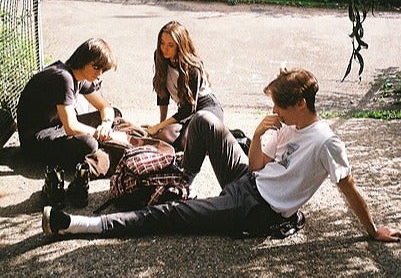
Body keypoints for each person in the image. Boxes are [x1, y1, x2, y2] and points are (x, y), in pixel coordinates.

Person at [42, 68, 401, 242]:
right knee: (204, 121)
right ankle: (181, 178)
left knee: (171, 215)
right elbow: (256, 166)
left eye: (279, 105)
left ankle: (76, 225)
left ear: (301, 104)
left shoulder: (326, 143)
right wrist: (259, 134)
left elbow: (349, 187)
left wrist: (373, 231)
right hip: (250, 180)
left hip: (256, 208)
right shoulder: (288, 125)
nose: (274, 111)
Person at [17, 37, 126, 169]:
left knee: (115, 114)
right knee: (89, 144)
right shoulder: (63, 78)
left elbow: (105, 106)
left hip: (57, 126)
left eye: (103, 70)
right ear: (83, 60)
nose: (99, 74)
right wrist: (106, 135)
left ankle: (105, 149)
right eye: (96, 67)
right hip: (35, 140)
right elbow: (71, 127)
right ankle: (104, 151)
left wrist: (106, 126)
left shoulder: (79, 76)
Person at [146, 21, 223, 149]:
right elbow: (162, 93)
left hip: (206, 109)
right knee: (164, 135)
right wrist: (161, 125)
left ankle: (224, 136)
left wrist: (158, 126)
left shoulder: (192, 68)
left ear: (180, 46)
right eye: (162, 43)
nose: (164, 49)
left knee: (187, 141)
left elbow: (188, 108)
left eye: (171, 45)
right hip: (187, 114)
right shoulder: (160, 56)